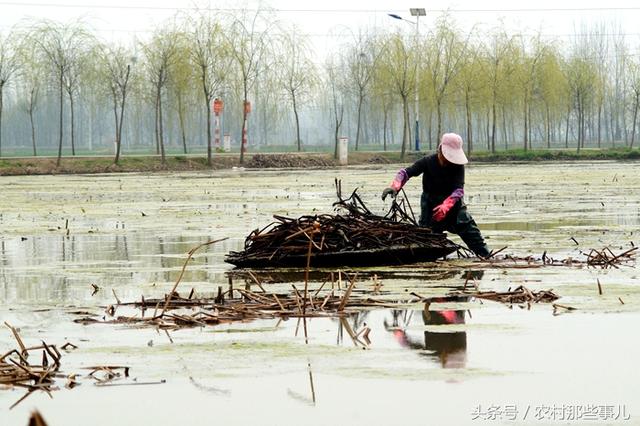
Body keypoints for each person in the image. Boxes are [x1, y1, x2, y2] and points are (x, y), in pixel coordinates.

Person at [381, 133, 490, 258]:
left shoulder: (458, 166)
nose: (449, 160)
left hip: (454, 207)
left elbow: (458, 190)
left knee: (473, 235)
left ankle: (486, 256)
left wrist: (445, 206)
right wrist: (395, 187)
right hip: (430, 207)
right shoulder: (427, 162)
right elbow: (406, 172)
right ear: (440, 150)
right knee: (427, 240)